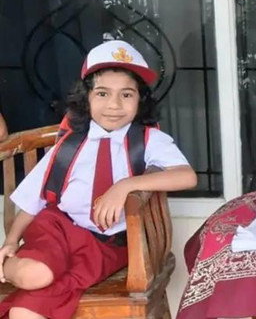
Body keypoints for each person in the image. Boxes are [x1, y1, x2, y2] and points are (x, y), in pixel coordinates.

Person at [0, 40, 197, 319]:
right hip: (57, 228)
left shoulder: (148, 140)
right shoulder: (69, 145)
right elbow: (34, 200)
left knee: (28, 307)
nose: (114, 105)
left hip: (106, 244)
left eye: (126, 94)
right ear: (86, 98)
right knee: (34, 274)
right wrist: (10, 241)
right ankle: (9, 266)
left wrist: (125, 185)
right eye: (102, 93)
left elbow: (186, 176)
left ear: (140, 100)